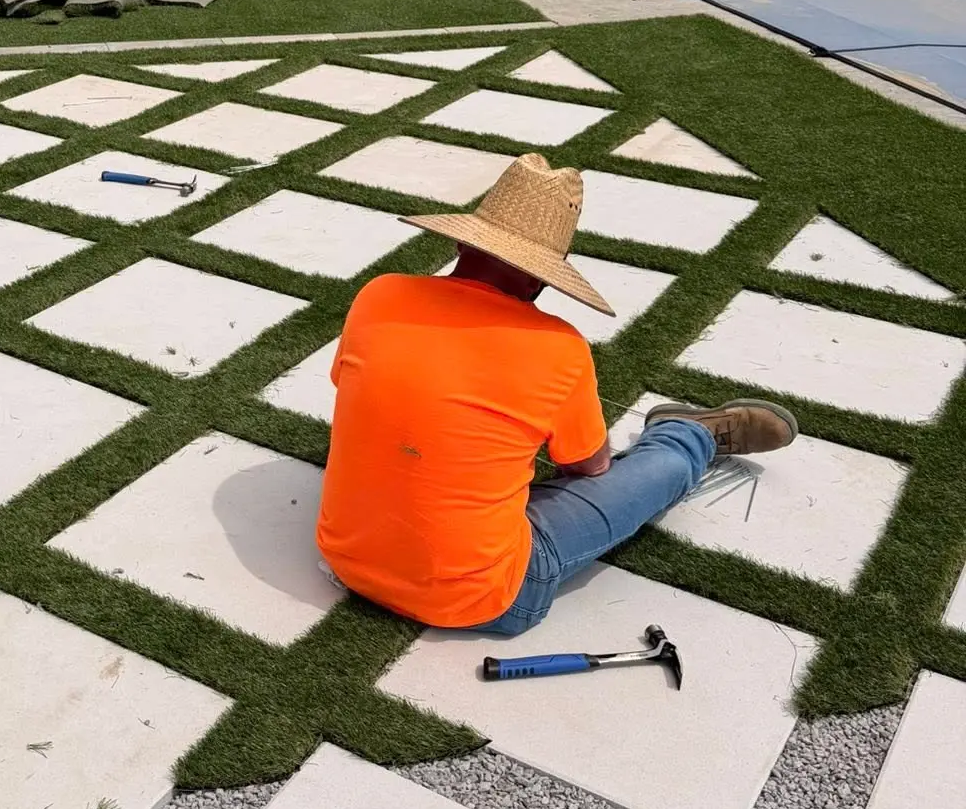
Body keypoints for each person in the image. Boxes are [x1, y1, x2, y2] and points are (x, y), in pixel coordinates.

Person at [316, 150, 798, 634]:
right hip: (489, 597)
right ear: (544, 277)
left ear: (463, 243)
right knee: (660, 469)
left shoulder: (380, 294)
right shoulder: (559, 348)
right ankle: (688, 436)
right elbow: (589, 465)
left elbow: (357, 390)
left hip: (347, 560)